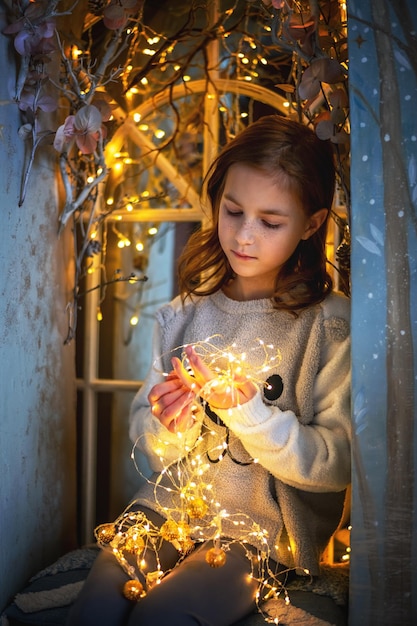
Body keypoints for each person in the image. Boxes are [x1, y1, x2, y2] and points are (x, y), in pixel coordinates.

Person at [67, 114, 351, 626]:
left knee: (166, 616)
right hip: (163, 510)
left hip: (261, 532)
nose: (243, 236)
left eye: (270, 221)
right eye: (233, 210)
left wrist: (250, 413)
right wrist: (169, 424)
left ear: (311, 223)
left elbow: (335, 466)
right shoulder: (182, 314)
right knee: (94, 609)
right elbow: (148, 445)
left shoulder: (328, 326)